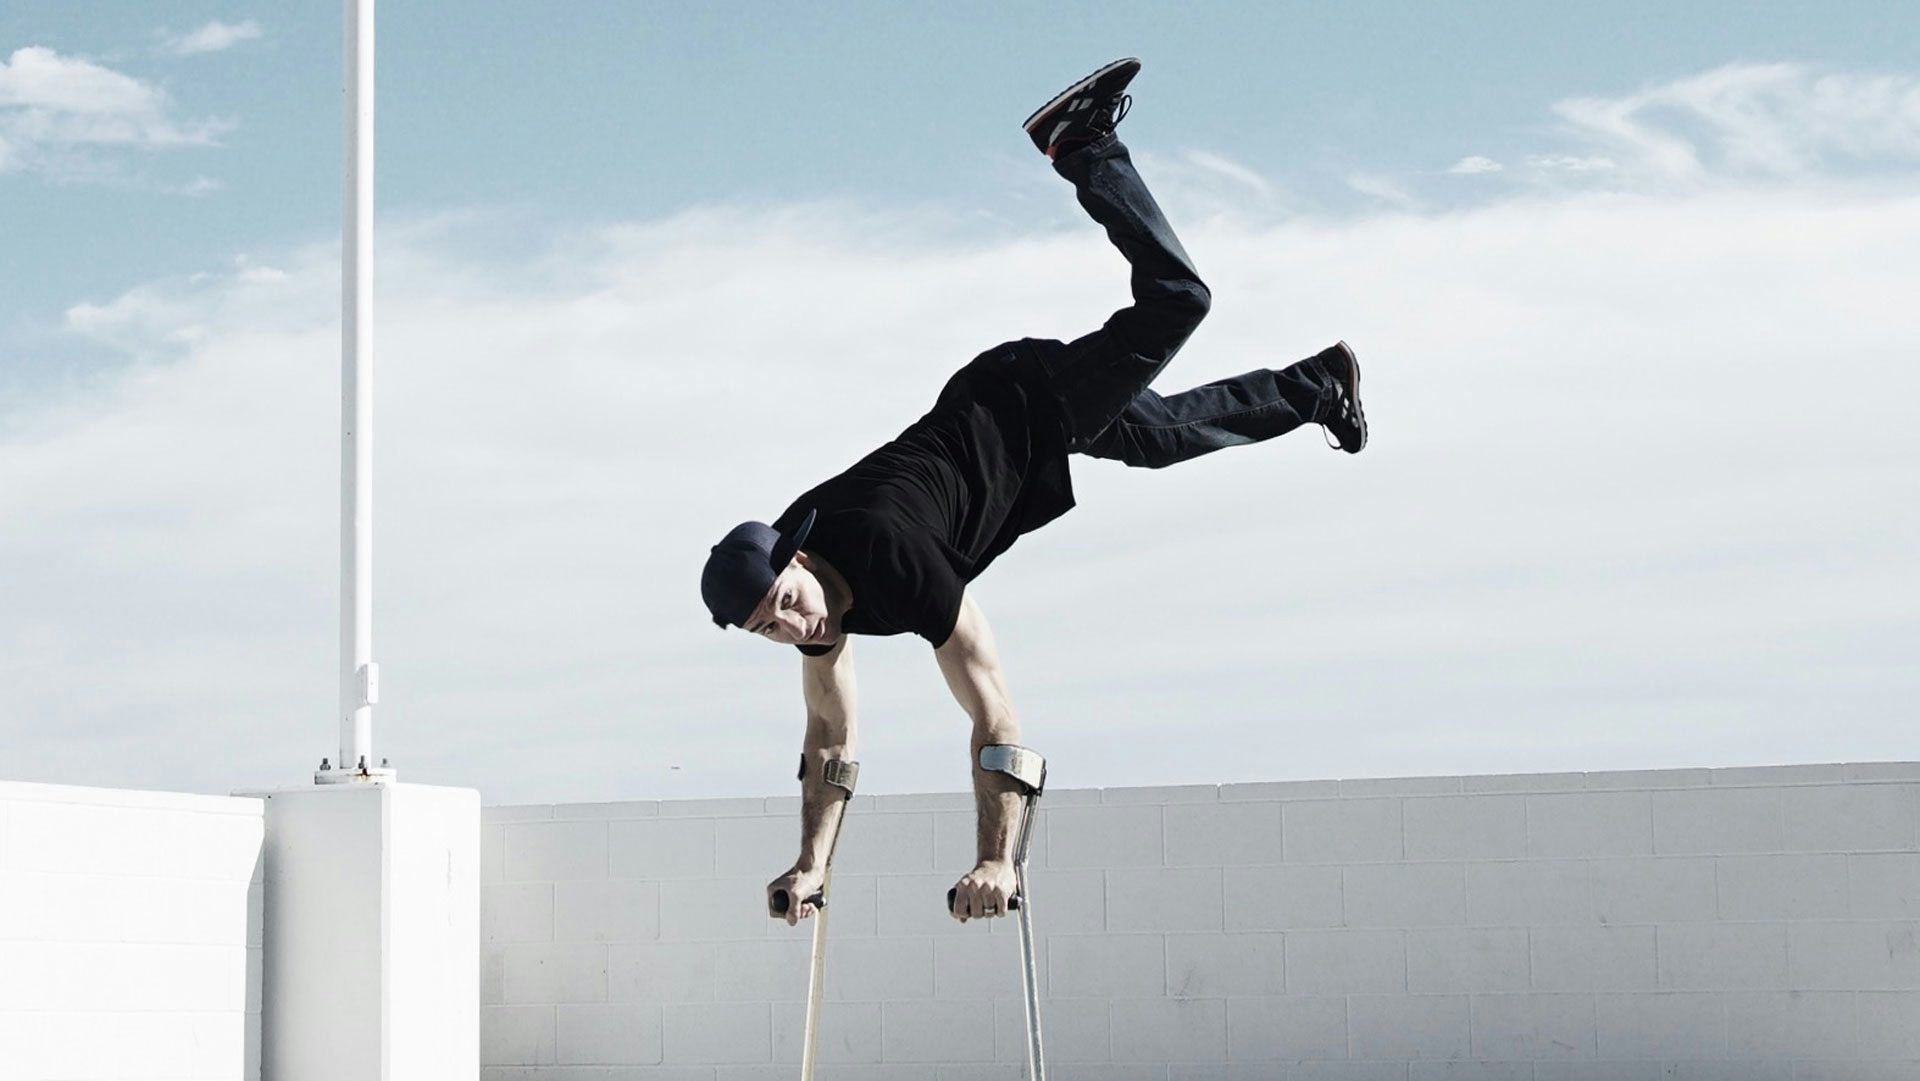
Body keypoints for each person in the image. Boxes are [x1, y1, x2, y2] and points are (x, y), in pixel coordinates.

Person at [699, 58, 1367, 926]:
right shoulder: (806, 596)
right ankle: (1320, 385)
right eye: (770, 628)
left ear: (797, 558)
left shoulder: (894, 559)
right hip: (1002, 426)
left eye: (786, 604)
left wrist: (995, 857)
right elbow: (830, 733)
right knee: (1160, 439)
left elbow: (993, 706)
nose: (795, 627)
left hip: (1027, 399)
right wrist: (810, 864)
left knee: (1180, 301)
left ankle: (1083, 143)